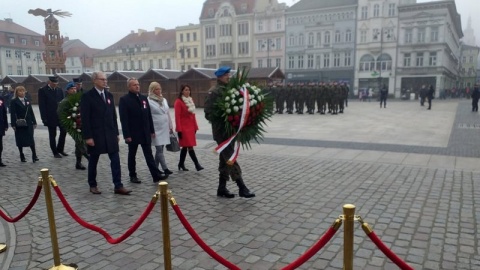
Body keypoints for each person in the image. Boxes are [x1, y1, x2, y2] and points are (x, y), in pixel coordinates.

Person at [204, 66, 255, 199]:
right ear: (220, 76)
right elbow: (208, 113)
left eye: (229, 74)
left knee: (225, 160)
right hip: (221, 132)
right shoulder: (214, 92)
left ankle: (221, 188)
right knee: (231, 158)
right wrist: (223, 119)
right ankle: (242, 187)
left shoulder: (231, 90)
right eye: (227, 75)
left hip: (231, 131)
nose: (229, 77)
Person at [80, 71, 131, 195]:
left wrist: (116, 133)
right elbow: (85, 119)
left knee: (115, 160)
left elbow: (113, 115)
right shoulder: (87, 96)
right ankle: (92, 184)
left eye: (105, 79)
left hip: (109, 133)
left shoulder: (109, 95)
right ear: (95, 81)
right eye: (102, 79)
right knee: (93, 160)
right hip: (96, 134)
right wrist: (88, 137)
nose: (105, 81)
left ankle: (118, 185)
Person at [119, 78, 169, 184]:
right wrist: (126, 135)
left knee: (149, 155)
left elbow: (148, 116)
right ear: (129, 87)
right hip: (133, 133)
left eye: (138, 84)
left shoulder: (143, 98)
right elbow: (124, 119)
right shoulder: (125, 100)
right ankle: (133, 175)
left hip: (145, 132)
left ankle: (155, 175)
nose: (137, 86)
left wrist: (151, 130)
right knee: (132, 155)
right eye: (134, 85)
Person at [57, 82, 87, 170]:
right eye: (71, 89)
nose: (74, 90)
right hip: (72, 125)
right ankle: (91, 159)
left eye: (75, 88)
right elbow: (60, 114)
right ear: (67, 91)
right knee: (80, 142)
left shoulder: (77, 99)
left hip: (80, 124)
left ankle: (78, 163)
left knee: (79, 144)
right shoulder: (64, 101)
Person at [174, 84, 204, 171]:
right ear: (182, 91)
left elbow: (193, 115)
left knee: (185, 147)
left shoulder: (190, 100)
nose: (187, 91)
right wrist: (179, 130)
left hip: (191, 127)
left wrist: (195, 127)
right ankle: (197, 164)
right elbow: (177, 117)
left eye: (188, 90)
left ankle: (180, 164)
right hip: (183, 128)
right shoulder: (178, 102)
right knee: (190, 146)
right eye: (186, 90)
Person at [147, 82, 174, 175]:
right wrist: (150, 129)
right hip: (156, 127)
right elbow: (148, 116)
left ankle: (155, 168)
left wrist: (170, 126)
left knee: (160, 149)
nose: (159, 91)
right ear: (152, 90)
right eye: (156, 89)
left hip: (164, 127)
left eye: (159, 89)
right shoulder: (148, 100)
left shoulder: (164, 100)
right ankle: (165, 168)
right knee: (159, 149)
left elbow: (167, 113)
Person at [38, 76, 67, 158]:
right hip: (50, 116)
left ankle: (60, 149)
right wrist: (44, 118)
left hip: (60, 115)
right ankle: (55, 152)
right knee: (52, 135)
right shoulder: (43, 90)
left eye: (56, 84)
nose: (55, 85)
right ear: (49, 82)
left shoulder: (59, 90)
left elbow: (63, 103)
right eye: (53, 84)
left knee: (63, 132)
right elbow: (42, 105)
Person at [10, 86, 38, 163]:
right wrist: (13, 124)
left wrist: (34, 122)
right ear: (17, 93)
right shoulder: (14, 101)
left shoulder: (27, 100)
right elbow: (12, 113)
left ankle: (34, 154)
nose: (22, 93)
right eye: (20, 91)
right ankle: (21, 154)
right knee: (20, 139)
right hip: (19, 123)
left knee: (31, 138)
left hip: (28, 122)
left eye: (23, 91)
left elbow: (31, 111)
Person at [0, 95, 7, 166]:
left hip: (0, 125)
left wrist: (6, 124)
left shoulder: (0, 98)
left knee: (0, 145)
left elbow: (4, 112)